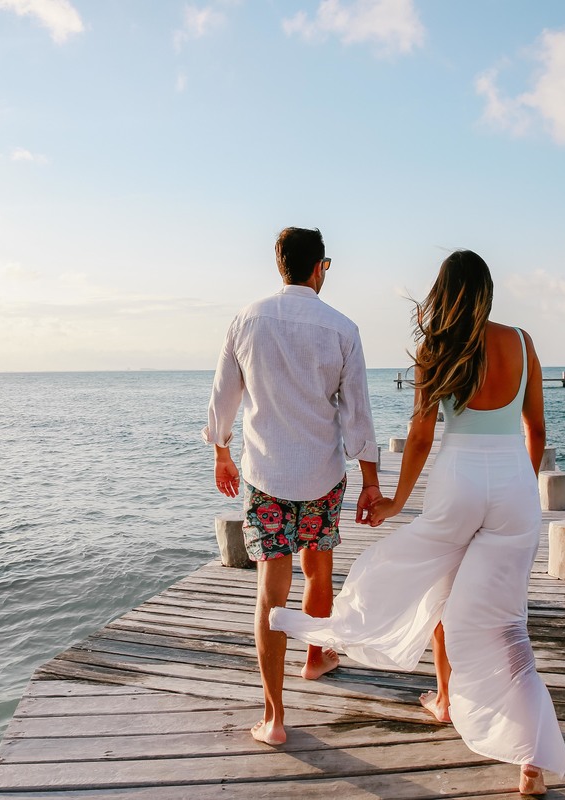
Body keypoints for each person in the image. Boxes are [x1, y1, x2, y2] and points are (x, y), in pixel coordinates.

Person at [269, 250, 565, 795]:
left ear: (444, 293)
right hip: (513, 488)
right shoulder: (523, 342)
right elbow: (538, 430)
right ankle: (531, 760)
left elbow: (423, 435)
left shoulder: (438, 348)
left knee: (434, 586)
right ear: (488, 291)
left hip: (457, 484)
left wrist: (395, 501)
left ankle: (444, 698)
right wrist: (519, 485)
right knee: (508, 625)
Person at [203, 226, 381, 747]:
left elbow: (223, 396)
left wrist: (220, 451)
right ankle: (316, 656)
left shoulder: (247, 319)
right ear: (319, 267)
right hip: (322, 475)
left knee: (270, 592)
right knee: (318, 569)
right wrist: (371, 481)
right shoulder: (342, 328)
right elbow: (357, 413)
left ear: (279, 265)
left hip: (266, 477)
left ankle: (274, 717)